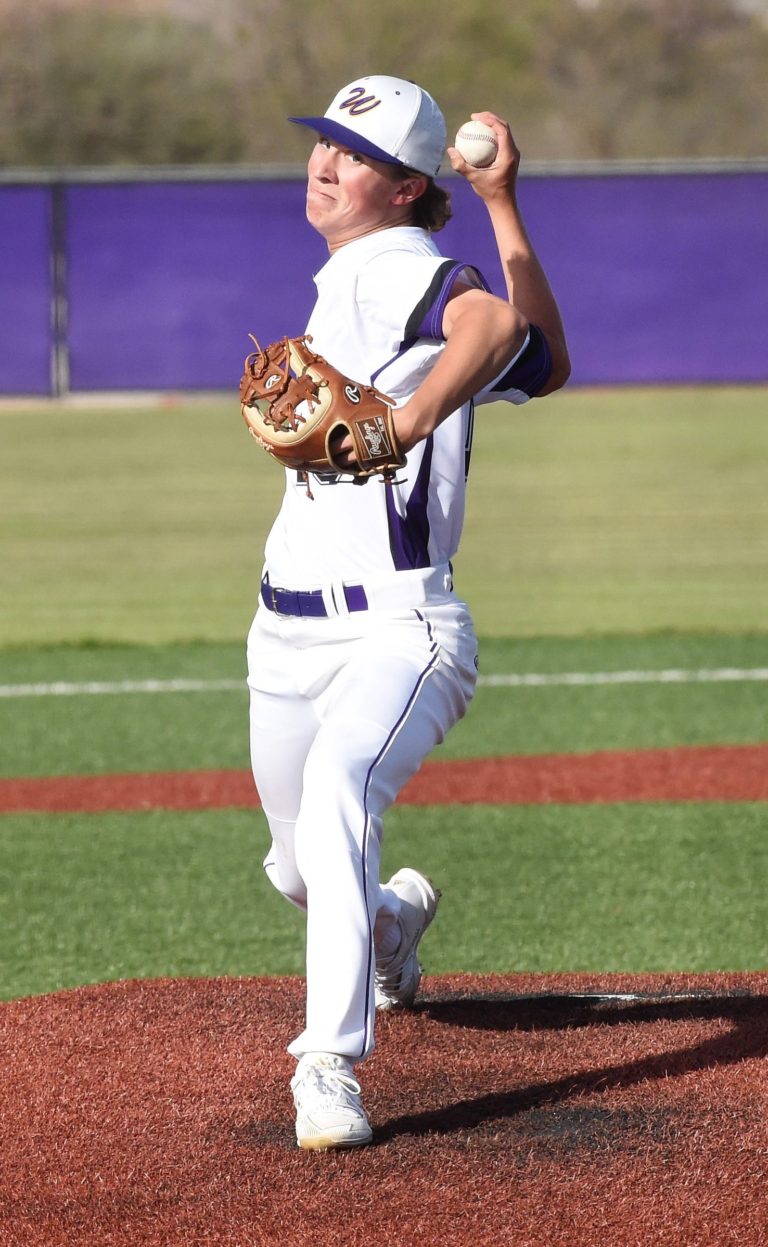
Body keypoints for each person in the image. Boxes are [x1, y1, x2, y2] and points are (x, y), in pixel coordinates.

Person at [245, 74, 570, 1151]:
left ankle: (328, 1062)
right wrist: (508, 202)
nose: (325, 162)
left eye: (354, 152)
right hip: (284, 632)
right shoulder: (345, 273)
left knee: (343, 787)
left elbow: (485, 313)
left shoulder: (404, 270)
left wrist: (409, 417)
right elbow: (549, 361)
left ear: (405, 188)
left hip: (400, 628)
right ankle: (393, 921)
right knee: (297, 866)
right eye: (324, 141)